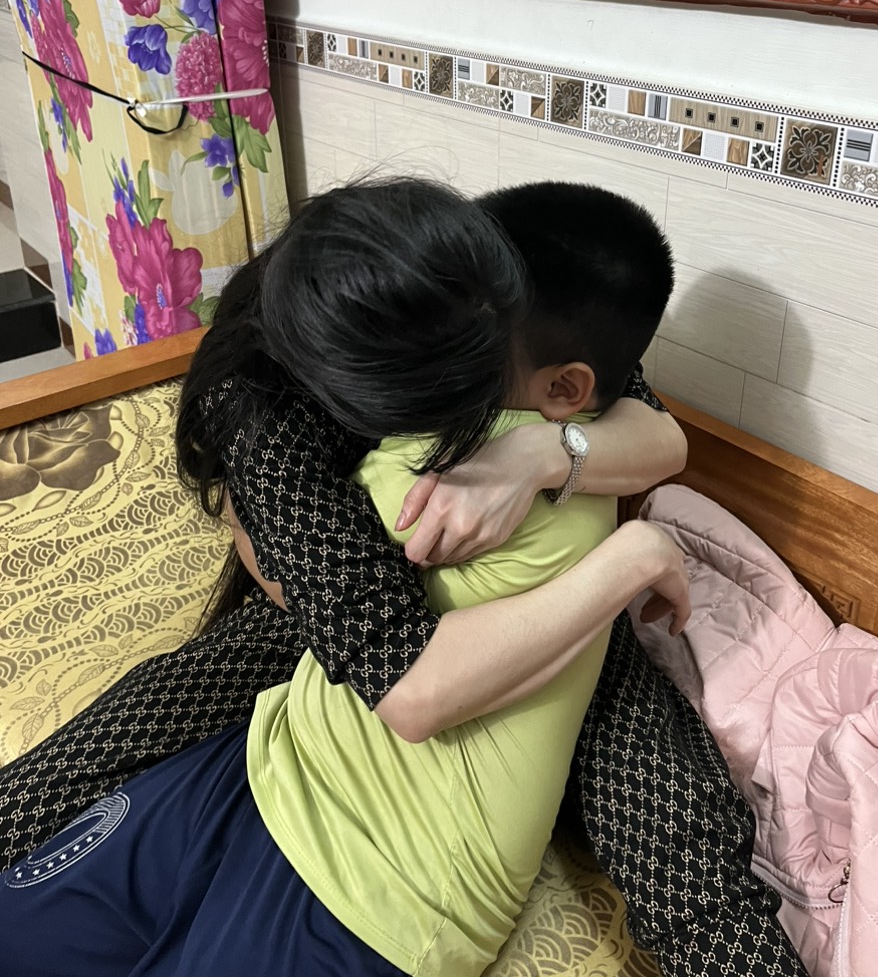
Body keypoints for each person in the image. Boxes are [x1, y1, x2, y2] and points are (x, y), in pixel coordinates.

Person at [0, 178, 804, 976]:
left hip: (501, 649)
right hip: (326, 617)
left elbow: (658, 434)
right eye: (450, 397)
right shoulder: (278, 419)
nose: (469, 415)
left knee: (674, 824)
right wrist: (632, 557)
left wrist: (544, 454)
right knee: (85, 769)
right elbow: (413, 686)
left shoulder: (462, 282)